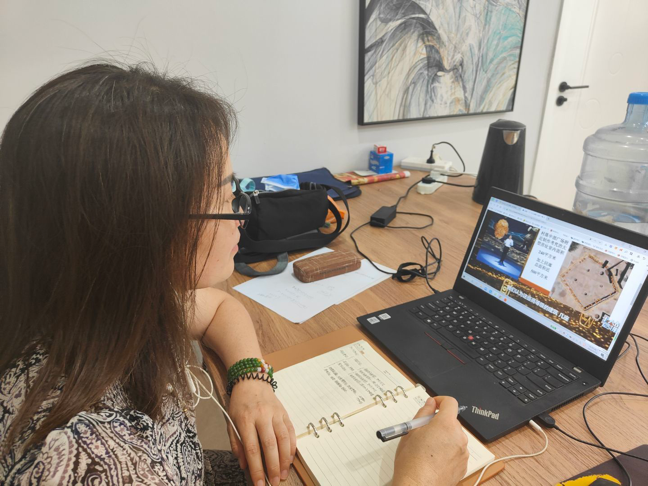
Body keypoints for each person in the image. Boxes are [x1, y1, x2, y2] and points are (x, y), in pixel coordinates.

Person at [0, 64, 469, 485]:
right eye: (226, 199)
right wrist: (421, 479)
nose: (241, 215)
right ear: (145, 229)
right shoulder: (92, 461)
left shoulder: (92, 301)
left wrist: (250, 379)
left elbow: (219, 307)